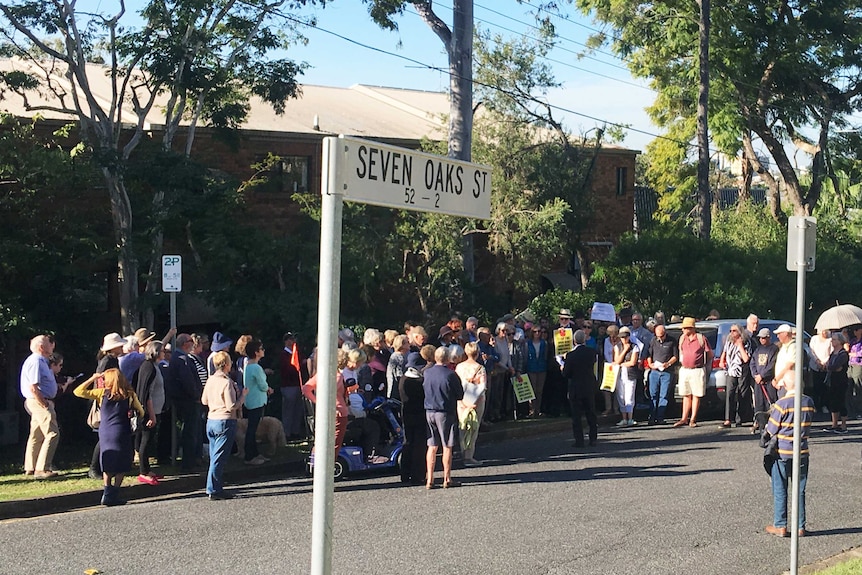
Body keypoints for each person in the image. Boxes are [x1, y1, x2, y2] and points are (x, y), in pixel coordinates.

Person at [74, 369, 145, 506]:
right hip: (122, 430)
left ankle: (107, 491)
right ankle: (115, 492)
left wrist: (93, 378)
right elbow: (141, 412)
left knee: (108, 461)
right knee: (123, 461)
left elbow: (78, 391)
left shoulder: (102, 393)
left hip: (105, 431)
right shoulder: (129, 395)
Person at [762, 369, 815, 537]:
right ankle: (800, 526)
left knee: (780, 488)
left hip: (782, 452)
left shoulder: (781, 404)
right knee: (799, 490)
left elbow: (771, 430)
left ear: (785, 385)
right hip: (802, 451)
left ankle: (781, 525)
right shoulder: (809, 402)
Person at [202, 351, 247, 500]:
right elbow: (231, 405)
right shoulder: (226, 382)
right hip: (225, 421)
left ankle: (214, 486)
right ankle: (213, 489)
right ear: (227, 364)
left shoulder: (210, 380)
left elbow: (204, 401)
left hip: (211, 420)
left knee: (214, 456)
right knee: (219, 458)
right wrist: (243, 396)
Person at [423, 346, 464, 489]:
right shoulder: (450, 375)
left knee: (432, 446)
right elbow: (460, 395)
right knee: (447, 445)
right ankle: (447, 478)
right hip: (445, 412)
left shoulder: (427, 373)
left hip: (429, 411)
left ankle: (430, 479)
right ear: (447, 358)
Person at [20, 335, 60, 478]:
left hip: (37, 400)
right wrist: (43, 403)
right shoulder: (36, 361)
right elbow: (33, 386)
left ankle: (30, 466)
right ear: (42, 347)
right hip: (39, 401)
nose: (53, 346)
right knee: (52, 433)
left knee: (36, 434)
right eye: (50, 344)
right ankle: (42, 468)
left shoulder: (41, 361)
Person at [165, 333, 205, 471]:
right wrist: (196, 395)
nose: (193, 343)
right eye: (190, 341)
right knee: (190, 431)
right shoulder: (182, 359)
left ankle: (191, 460)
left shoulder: (180, 358)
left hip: (185, 399)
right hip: (187, 401)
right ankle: (188, 463)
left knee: (190, 430)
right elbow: (187, 381)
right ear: (185, 343)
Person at [302, 351, 350, 465]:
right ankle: (327, 467)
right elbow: (330, 392)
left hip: (323, 413)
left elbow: (305, 389)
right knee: (334, 444)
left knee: (321, 440)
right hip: (339, 413)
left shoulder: (322, 374)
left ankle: (314, 465)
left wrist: (318, 403)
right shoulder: (338, 376)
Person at [134, 341, 165, 485]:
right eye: (162, 351)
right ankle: (143, 471)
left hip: (156, 409)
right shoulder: (149, 368)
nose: (164, 353)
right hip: (149, 411)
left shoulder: (152, 366)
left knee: (149, 439)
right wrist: (151, 415)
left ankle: (147, 469)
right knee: (145, 440)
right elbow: (147, 394)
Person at [674, 317, 713, 428]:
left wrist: (704, 366)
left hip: (697, 369)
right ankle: (684, 418)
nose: (683, 330)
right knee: (686, 394)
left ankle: (693, 419)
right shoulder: (682, 338)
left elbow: (710, 355)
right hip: (685, 369)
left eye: (685, 328)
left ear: (691, 328)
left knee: (696, 395)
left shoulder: (701, 339)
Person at [562, 330, 598, 447]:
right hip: (588, 385)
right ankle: (593, 438)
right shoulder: (591, 352)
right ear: (584, 340)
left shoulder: (571, 355)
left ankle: (579, 440)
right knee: (591, 413)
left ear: (574, 341)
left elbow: (566, 374)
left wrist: (563, 366)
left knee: (576, 416)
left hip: (576, 387)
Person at [455, 342, 487, 466]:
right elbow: (482, 387)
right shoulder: (480, 368)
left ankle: (463, 452)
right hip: (476, 401)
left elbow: (456, 385)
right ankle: (469, 456)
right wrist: (475, 403)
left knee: (462, 426)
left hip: (461, 401)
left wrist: (462, 402)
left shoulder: (459, 367)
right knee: (474, 427)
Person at [398, 352, 428, 484]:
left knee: (407, 443)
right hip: (419, 414)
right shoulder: (419, 382)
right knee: (419, 446)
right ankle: (417, 475)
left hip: (406, 414)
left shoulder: (403, 379)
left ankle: (405, 474)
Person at [243, 339, 273, 465]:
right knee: (252, 429)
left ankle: (254, 453)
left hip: (250, 400)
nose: (263, 351)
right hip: (257, 401)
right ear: (256, 352)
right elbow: (262, 384)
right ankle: (249, 456)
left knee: (252, 428)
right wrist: (269, 389)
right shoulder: (256, 367)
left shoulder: (248, 365)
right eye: (261, 349)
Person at [719, 324, 752, 428]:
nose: (732, 333)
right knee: (730, 393)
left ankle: (740, 418)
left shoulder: (746, 342)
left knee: (742, 393)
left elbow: (746, 358)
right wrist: (721, 361)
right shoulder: (729, 342)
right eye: (730, 331)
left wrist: (740, 346)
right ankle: (728, 419)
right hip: (731, 370)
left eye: (734, 331)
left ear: (740, 332)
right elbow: (724, 352)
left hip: (742, 370)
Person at [646, 324, 678, 425]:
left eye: (661, 336)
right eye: (658, 336)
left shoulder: (672, 341)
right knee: (653, 394)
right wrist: (650, 364)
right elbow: (648, 354)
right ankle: (652, 417)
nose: (659, 338)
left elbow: (675, 356)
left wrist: (668, 363)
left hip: (667, 372)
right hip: (655, 371)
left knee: (663, 395)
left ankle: (660, 417)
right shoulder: (653, 340)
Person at [751, 328, 779, 433]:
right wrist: (756, 375)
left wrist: (762, 376)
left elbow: (772, 365)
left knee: (770, 404)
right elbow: (752, 363)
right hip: (759, 383)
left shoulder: (774, 349)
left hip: (769, 382)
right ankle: (760, 425)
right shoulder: (758, 350)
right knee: (759, 405)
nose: (762, 340)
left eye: (764, 338)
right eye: (760, 338)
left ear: (768, 337)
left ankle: (771, 427)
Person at [279, 332, 305, 441]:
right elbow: (288, 370)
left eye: (293, 339)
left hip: (298, 385)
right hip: (288, 386)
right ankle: (286, 433)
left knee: (298, 410)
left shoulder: (297, 353)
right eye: (290, 339)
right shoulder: (283, 355)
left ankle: (295, 431)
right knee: (288, 410)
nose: (292, 341)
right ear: (286, 341)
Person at [824, 332, 850, 434]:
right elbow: (831, 365)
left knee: (841, 401)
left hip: (841, 380)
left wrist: (828, 367)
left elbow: (837, 367)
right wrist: (829, 366)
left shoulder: (843, 354)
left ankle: (843, 426)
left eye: (834, 339)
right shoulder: (832, 353)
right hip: (832, 380)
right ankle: (834, 424)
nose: (832, 341)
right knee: (833, 402)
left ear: (840, 341)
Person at [613, 326, 639, 426]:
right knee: (621, 396)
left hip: (630, 374)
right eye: (622, 337)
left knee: (629, 396)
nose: (623, 339)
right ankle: (624, 418)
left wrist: (621, 364)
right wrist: (624, 350)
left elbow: (632, 362)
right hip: (620, 374)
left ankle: (630, 418)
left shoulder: (634, 347)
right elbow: (617, 361)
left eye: (625, 337)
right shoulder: (617, 347)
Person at [808, 328, 833, 414]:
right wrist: (818, 361)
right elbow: (811, 351)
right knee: (815, 386)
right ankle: (815, 405)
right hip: (815, 366)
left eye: (826, 331)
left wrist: (825, 362)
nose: (824, 332)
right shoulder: (814, 339)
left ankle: (824, 405)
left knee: (825, 387)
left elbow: (831, 352)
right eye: (823, 330)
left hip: (826, 366)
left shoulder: (830, 340)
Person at [525, 324, 548, 417]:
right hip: (531, 368)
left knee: (539, 390)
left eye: (539, 331)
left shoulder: (544, 343)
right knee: (532, 390)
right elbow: (525, 356)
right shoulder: (527, 343)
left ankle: (538, 410)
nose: (537, 333)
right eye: (535, 331)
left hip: (542, 368)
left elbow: (545, 356)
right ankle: (532, 410)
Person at [773, 324, 797, 397]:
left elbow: (789, 366)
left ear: (786, 334)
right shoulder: (783, 347)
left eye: (779, 334)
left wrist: (776, 379)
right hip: (781, 384)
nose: (777, 336)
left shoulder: (793, 346)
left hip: (788, 384)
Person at [386, 334, 410, 400]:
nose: (409, 344)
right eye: (407, 342)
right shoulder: (398, 357)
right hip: (396, 390)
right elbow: (399, 375)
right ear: (402, 345)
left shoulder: (399, 355)